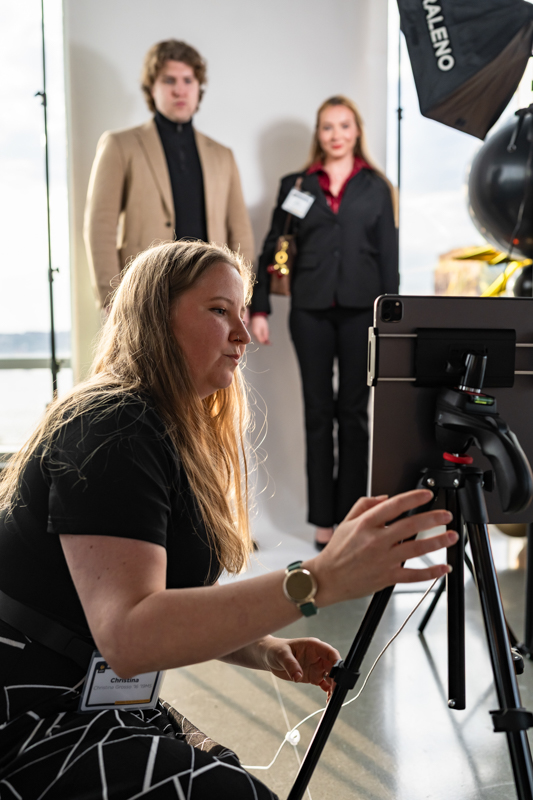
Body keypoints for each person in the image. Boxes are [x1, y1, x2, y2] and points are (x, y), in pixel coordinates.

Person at [0, 241, 455, 799]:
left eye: (242, 313)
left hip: (94, 695)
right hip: (30, 710)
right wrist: (320, 579)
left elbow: (166, 604)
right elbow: (129, 634)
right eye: (220, 310)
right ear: (154, 317)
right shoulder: (112, 426)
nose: (243, 333)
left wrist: (263, 648)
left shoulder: (163, 429)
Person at [251, 96, 399, 550]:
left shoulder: (377, 187)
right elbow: (272, 244)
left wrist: (392, 318)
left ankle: (352, 516)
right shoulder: (296, 185)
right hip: (310, 311)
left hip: (362, 311)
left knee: (353, 415)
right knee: (318, 413)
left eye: (344, 126)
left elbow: (389, 260)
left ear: (357, 132)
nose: (336, 134)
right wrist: (259, 307)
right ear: (319, 134)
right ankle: (322, 521)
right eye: (328, 127)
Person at [84, 39, 254, 309]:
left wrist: (240, 297)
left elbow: (240, 231)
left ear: (199, 89)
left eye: (188, 80)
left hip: (211, 292)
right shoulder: (120, 145)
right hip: (146, 293)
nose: (180, 90)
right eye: (169, 80)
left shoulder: (223, 155)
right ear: (152, 88)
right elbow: (100, 226)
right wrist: (111, 298)